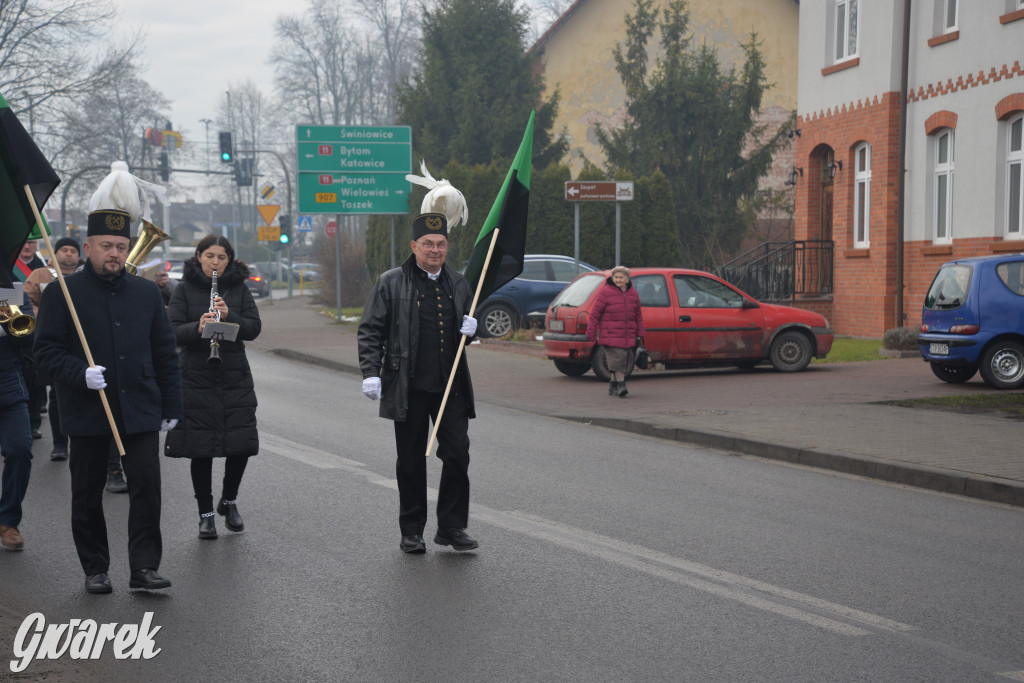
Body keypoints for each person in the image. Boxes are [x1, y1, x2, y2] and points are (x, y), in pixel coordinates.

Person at [34, 162, 182, 594]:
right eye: (105, 246)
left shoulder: (147, 293)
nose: (114, 253)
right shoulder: (63, 293)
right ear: (88, 247)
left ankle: (143, 568)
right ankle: (95, 567)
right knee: (86, 493)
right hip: (86, 412)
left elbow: (164, 353)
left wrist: (172, 407)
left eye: (120, 245)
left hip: (138, 409)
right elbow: (45, 353)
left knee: (147, 489)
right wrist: (80, 373)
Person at [357, 211, 481, 554]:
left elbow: (466, 328)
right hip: (407, 387)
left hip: (449, 387)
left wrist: (473, 330)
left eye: (441, 244)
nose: (435, 250)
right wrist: (370, 371)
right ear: (414, 246)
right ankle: (411, 530)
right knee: (411, 461)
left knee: (458, 454)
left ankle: (452, 527)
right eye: (428, 244)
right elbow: (370, 330)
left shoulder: (458, 282)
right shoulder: (391, 281)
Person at [164, 235, 261, 540]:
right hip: (195, 375)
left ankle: (229, 501)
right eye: (209, 256)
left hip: (233, 374)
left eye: (221, 257)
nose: (215, 262)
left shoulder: (239, 289)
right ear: (198, 256)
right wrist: (199, 328)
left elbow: (254, 328)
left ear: (229, 260)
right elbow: (171, 331)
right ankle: (205, 515)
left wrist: (229, 315)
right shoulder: (184, 289)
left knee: (240, 443)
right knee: (200, 448)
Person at [24, 237, 83, 461]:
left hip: (84, 342)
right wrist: (45, 316)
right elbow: (27, 301)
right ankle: (59, 444)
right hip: (56, 341)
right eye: (64, 250)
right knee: (57, 394)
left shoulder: (87, 275)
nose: (68, 254)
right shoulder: (40, 275)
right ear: (55, 254)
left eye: (72, 251)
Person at [0, 287, 35, 550]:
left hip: (9, 387)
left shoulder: (9, 292)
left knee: (20, 449)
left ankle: (8, 520)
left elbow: (27, 338)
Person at [586, 265, 645, 397]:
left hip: (627, 334)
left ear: (627, 279)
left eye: (621, 277)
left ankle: (612, 387)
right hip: (610, 334)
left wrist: (640, 333)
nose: (618, 280)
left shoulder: (633, 293)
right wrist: (590, 332)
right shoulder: (605, 292)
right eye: (616, 277)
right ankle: (622, 386)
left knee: (624, 360)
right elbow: (595, 314)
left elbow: (638, 315)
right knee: (618, 360)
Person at [13, 241, 45, 440]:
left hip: (12, 368)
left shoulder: (7, 287)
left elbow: (20, 329)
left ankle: (32, 422)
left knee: (19, 450)